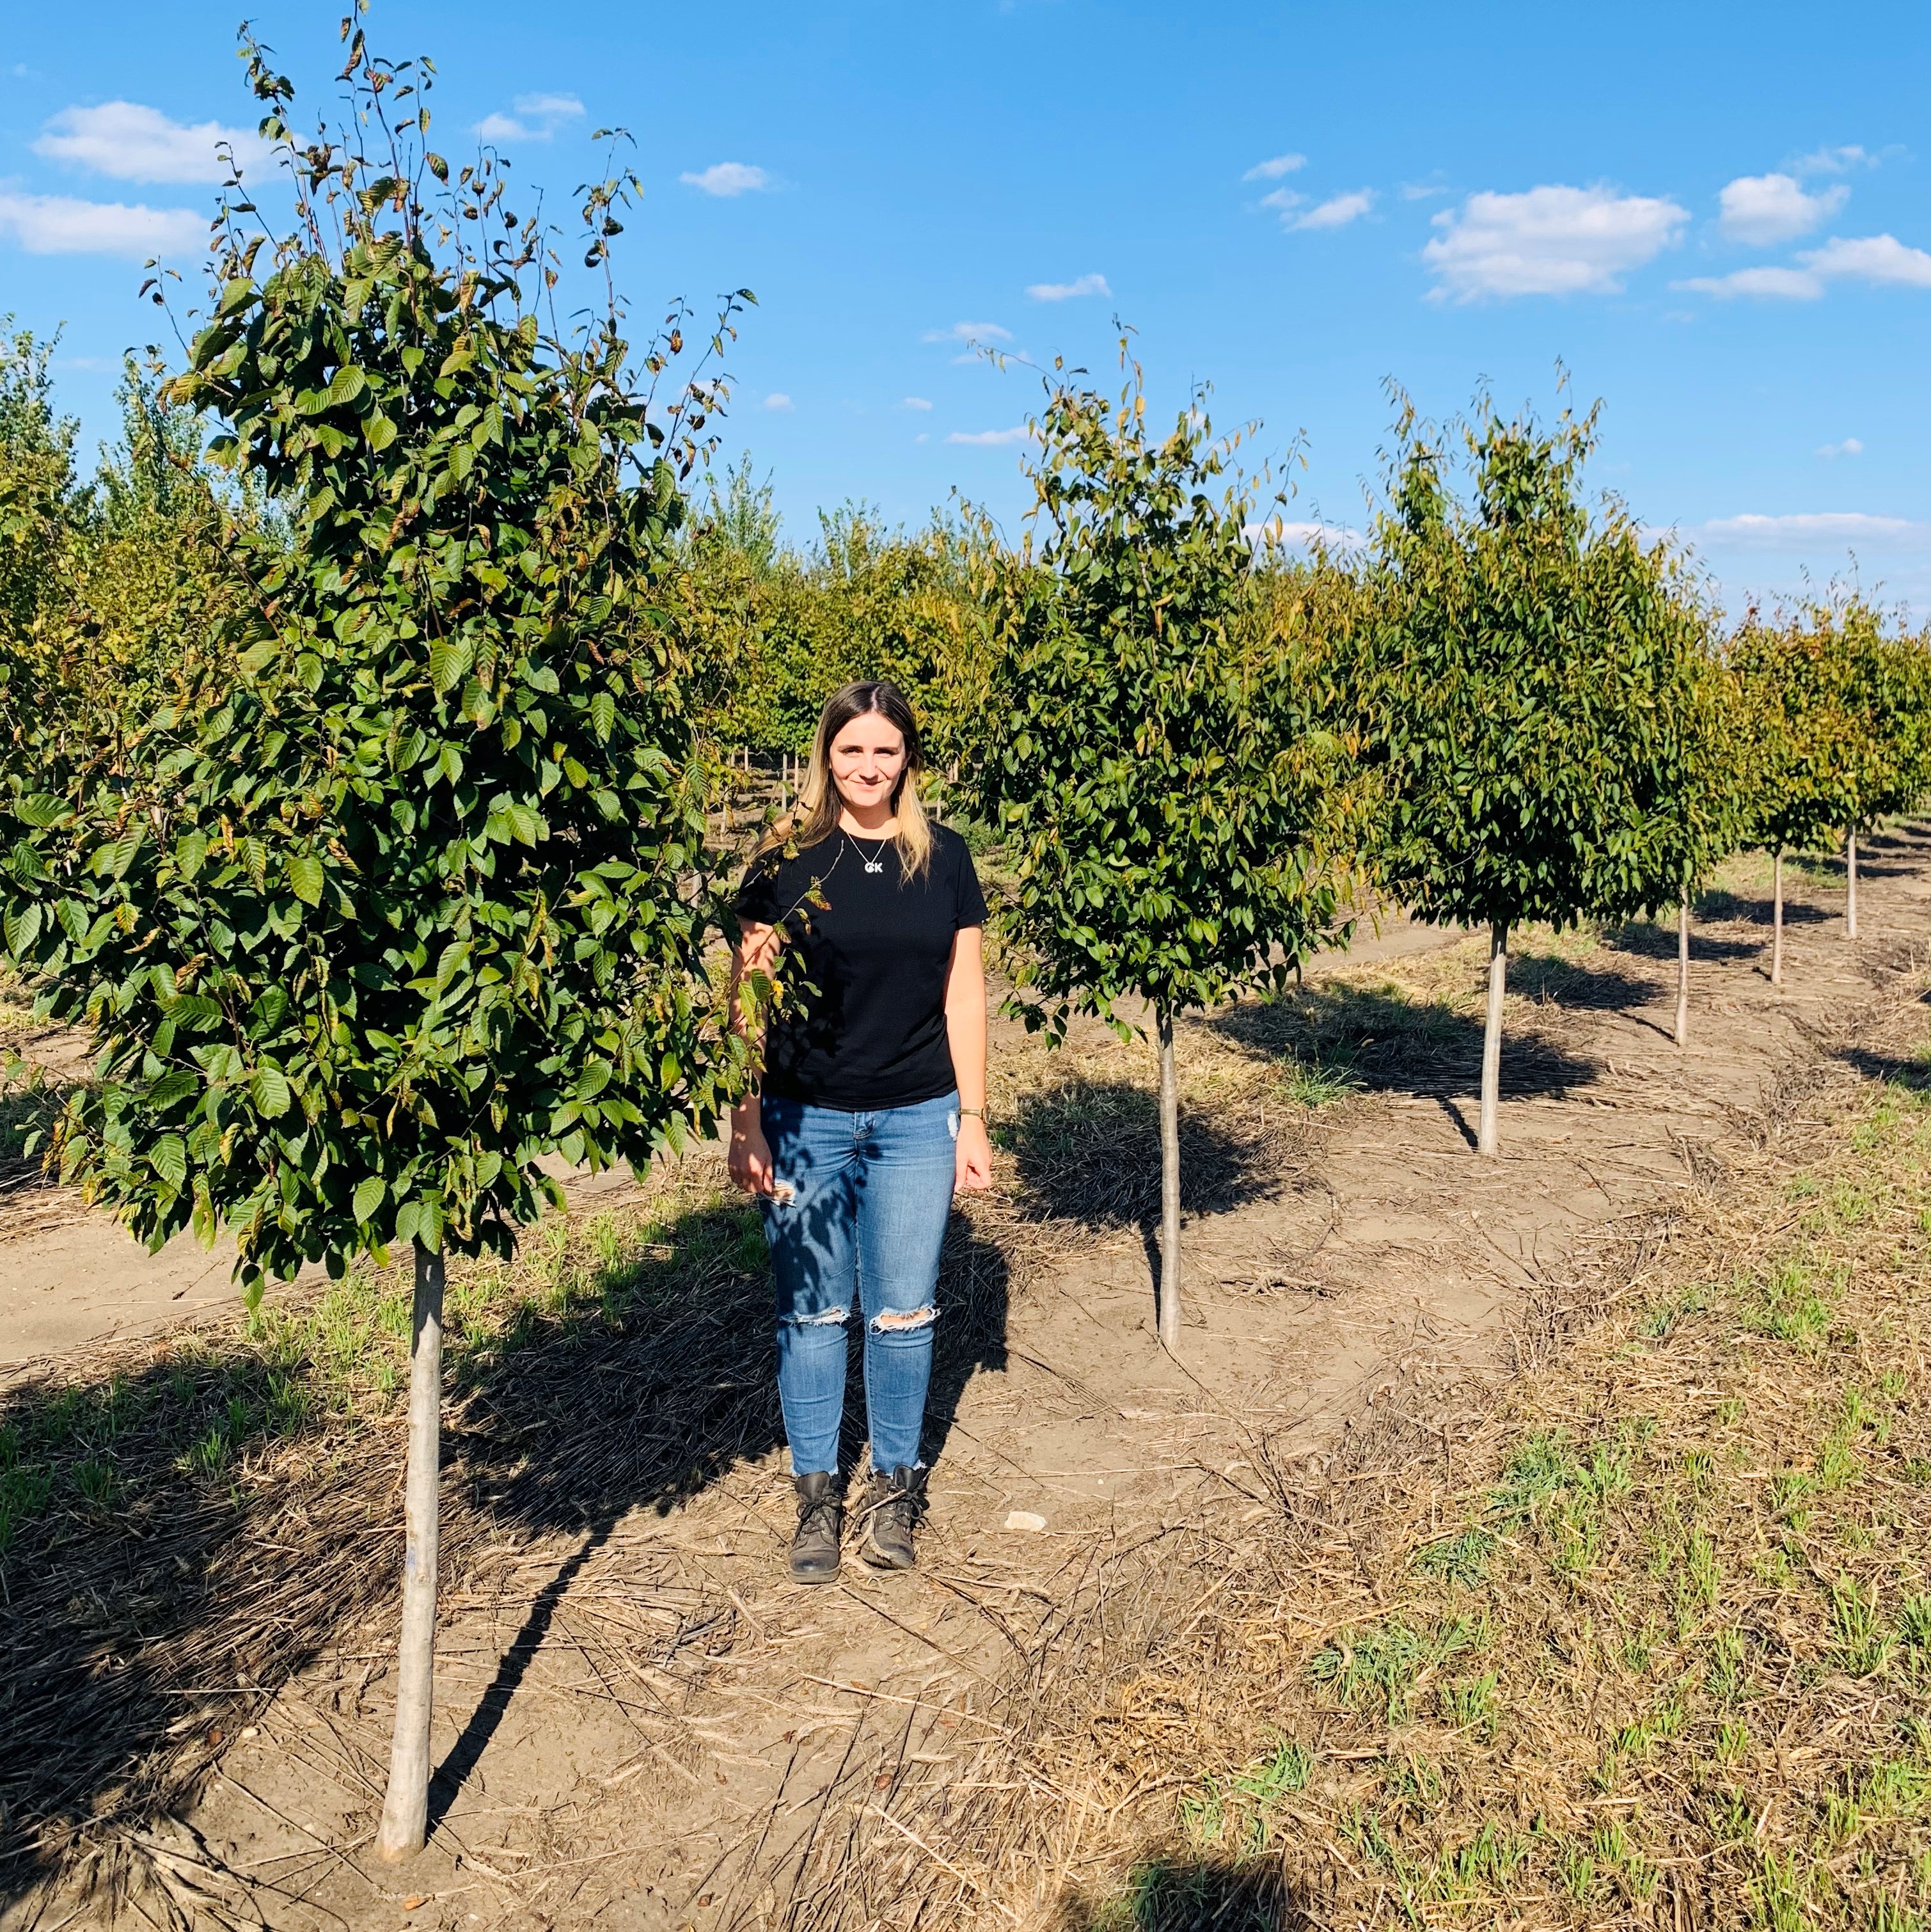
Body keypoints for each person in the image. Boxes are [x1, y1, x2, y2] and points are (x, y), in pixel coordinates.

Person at [729, 681, 993, 1583]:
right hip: (806, 1117)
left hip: (919, 1116)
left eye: (885, 751)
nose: (868, 768)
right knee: (811, 1311)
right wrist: (746, 1118)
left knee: (903, 1312)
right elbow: (750, 999)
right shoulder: (785, 861)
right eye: (852, 752)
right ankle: (815, 1497)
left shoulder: (947, 861)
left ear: (907, 758)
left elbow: (964, 995)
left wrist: (974, 1117)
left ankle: (892, 1488)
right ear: (826, 756)